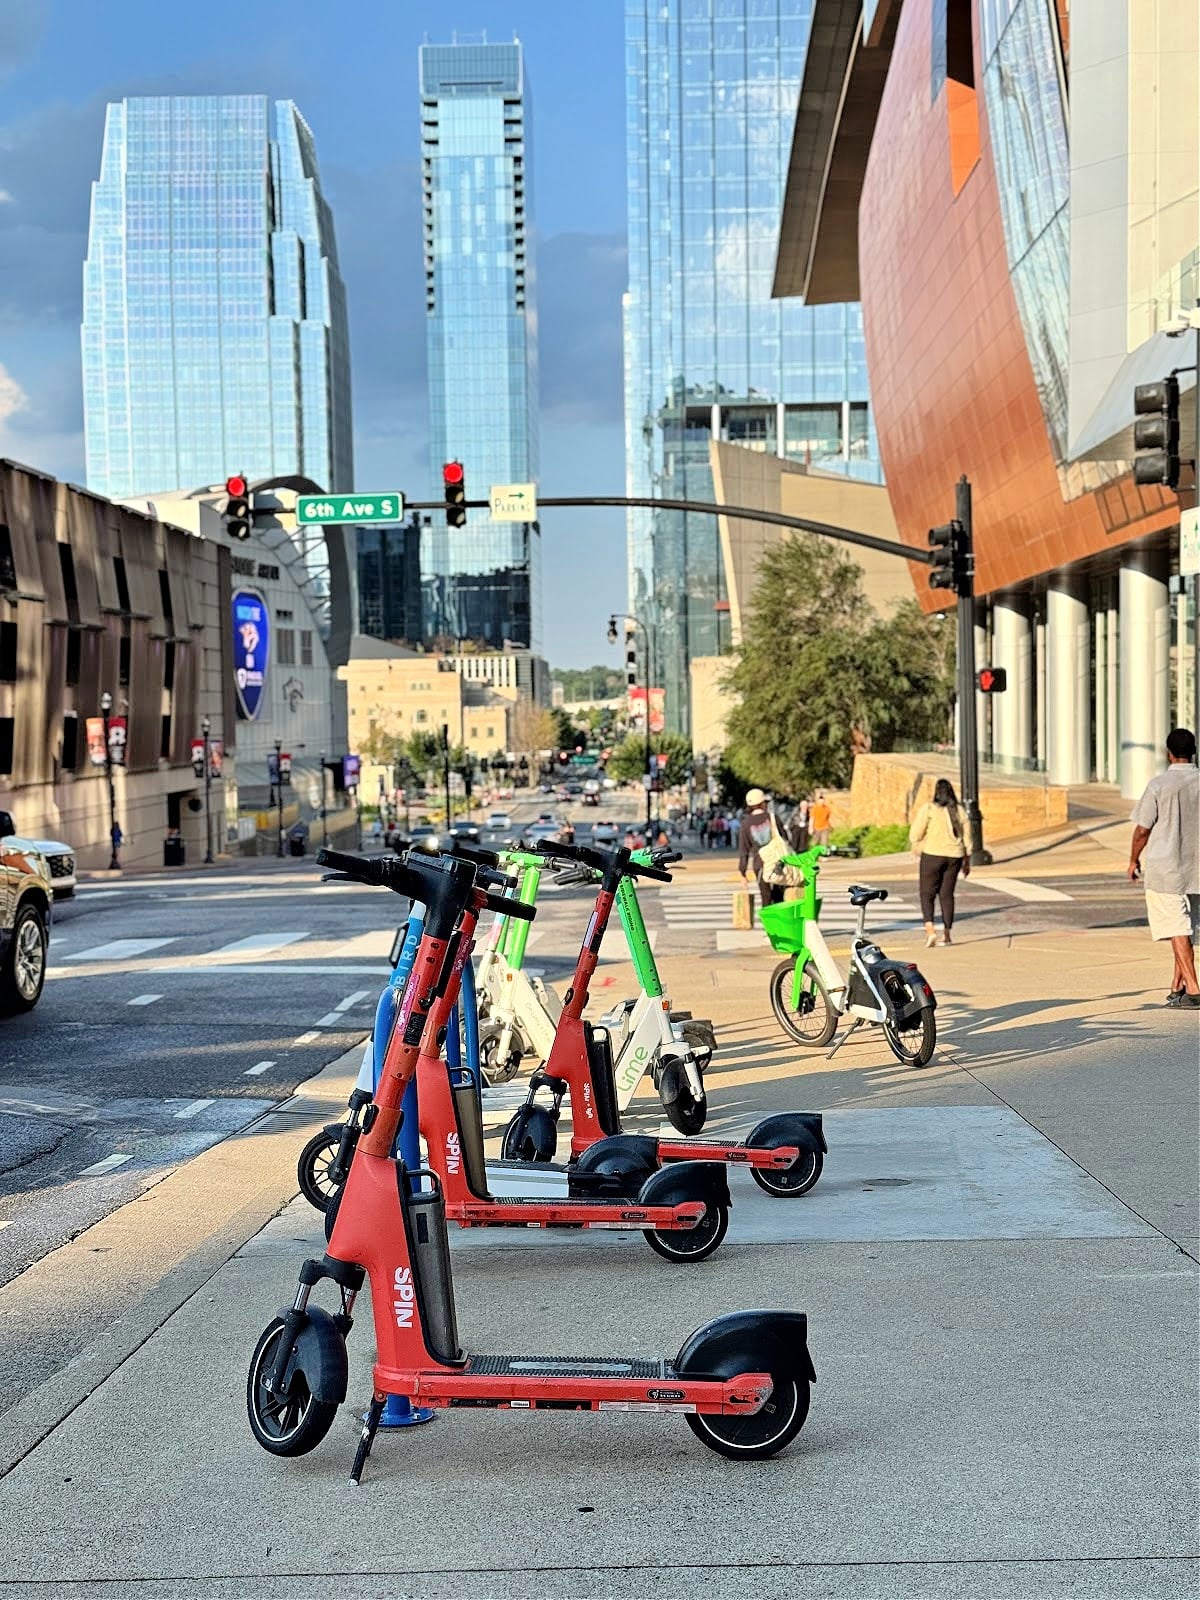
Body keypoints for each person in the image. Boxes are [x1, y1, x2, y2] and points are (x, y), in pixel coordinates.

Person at [1128, 728, 1199, 1007]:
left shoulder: (1159, 785)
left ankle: (1193, 990)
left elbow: (1142, 830)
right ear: (1193, 751)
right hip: (1197, 868)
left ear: (1168, 753)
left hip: (1167, 868)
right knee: (1184, 928)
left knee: (1176, 926)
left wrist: (1134, 859)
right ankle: (1178, 985)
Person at [910, 778, 970, 946]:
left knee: (926, 893)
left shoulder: (929, 809)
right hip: (955, 856)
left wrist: (918, 844)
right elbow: (968, 838)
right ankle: (947, 934)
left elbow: (915, 834)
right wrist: (967, 860)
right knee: (946, 895)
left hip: (933, 854)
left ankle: (930, 930)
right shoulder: (958, 810)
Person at [738, 787, 785, 908]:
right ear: (763, 803)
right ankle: (780, 925)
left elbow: (744, 850)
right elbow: (785, 839)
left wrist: (743, 872)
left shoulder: (745, 824)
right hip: (777, 862)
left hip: (760, 864)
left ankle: (769, 926)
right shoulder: (773, 818)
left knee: (766, 898)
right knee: (779, 897)